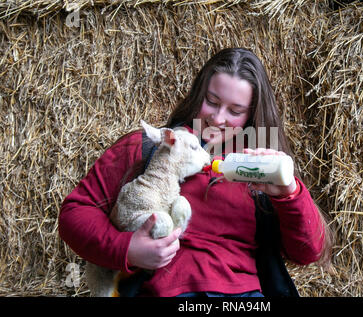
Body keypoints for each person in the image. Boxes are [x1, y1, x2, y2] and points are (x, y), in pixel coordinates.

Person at [59, 48, 332, 297]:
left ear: (251, 115)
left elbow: (308, 252)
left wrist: (290, 194)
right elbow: (75, 212)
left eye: (235, 111)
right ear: (198, 94)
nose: (218, 118)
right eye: (212, 101)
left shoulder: (259, 167)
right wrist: (127, 249)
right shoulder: (151, 146)